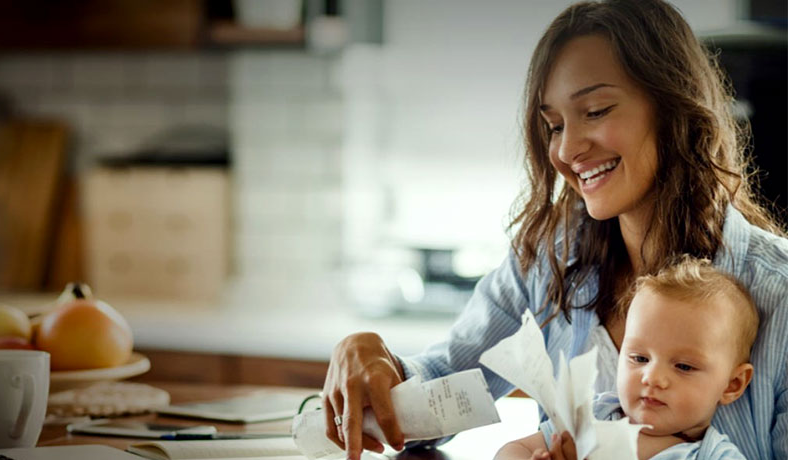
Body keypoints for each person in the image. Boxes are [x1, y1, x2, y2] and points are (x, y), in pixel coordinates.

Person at [321, 1, 788, 459]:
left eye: (596, 110)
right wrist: (375, 366)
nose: (567, 150)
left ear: (672, 108)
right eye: (554, 125)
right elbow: (441, 394)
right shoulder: (547, 263)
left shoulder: (779, 292)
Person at [496, 257, 757, 460]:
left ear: (732, 384)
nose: (652, 377)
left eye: (683, 366)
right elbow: (513, 448)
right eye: (640, 358)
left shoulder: (714, 455)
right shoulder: (594, 416)